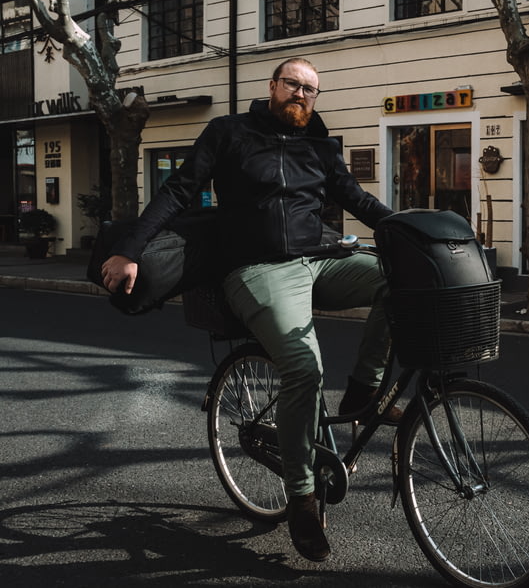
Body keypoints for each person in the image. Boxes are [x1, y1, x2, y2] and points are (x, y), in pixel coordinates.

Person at [101, 58, 397, 563]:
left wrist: (411, 233)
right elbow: (176, 192)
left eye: (310, 89)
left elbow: (354, 197)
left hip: (319, 260)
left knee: (402, 278)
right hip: (258, 270)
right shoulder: (229, 132)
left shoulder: (318, 142)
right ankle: (302, 498)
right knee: (305, 367)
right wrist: (131, 250)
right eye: (293, 85)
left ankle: (365, 389)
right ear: (272, 86)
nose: (301, 95)